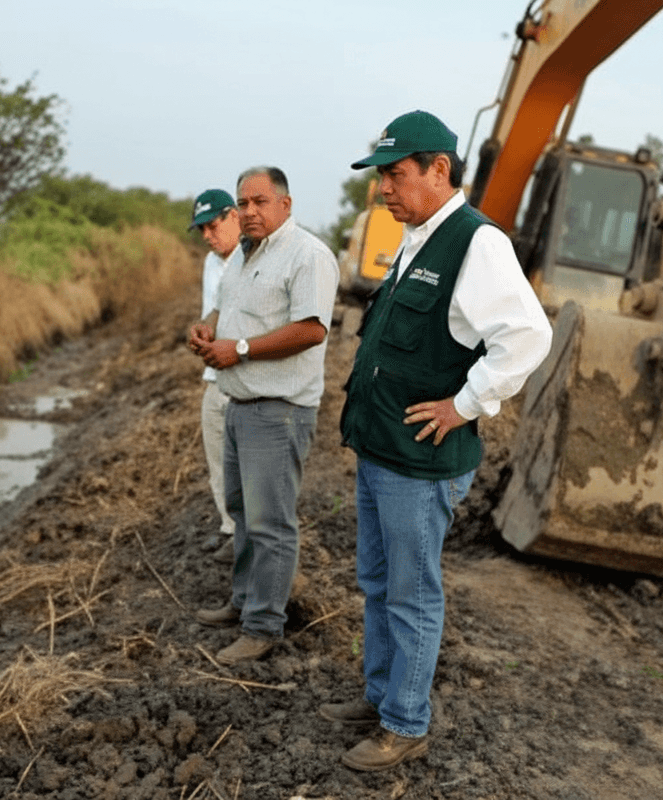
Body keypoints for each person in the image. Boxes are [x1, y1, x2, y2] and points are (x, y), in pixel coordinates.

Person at [323, 111, 552, 771]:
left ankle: (404, 722)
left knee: (412, 592)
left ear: (439, 169)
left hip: (419, 466)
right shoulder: (418, 236)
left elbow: (528, 335)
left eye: (396, 175)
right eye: (382, 177)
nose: (385, 190)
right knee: (376, 579)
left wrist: (465, 403)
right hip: (382, 450)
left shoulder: (476, 242)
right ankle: (379, 695)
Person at [187, 166, 338, 666]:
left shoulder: (308, 255)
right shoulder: (243, 257)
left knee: (271, 522)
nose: (250, 211)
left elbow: (312, 329)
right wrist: (207, 330)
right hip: (241, 404)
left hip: (279, 411)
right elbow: (225, 310)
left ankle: (263, 626)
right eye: (243, 203)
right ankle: (244, 602)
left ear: (285, 204)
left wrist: (242, 349)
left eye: (260, 202)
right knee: (244, 513)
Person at [188, 188, 241, 564]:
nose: (208, 235)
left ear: (233, 216)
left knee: (246, 463)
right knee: (217, 456)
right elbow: (212, 311)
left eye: (213, 225)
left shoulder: (254, 256)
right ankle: (229, 529)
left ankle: (248, 536)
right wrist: (201, 332)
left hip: (247, 374)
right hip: (215, 373)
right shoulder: (211, 263)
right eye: (201, 229)